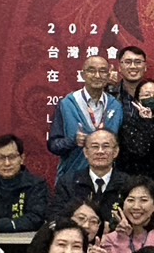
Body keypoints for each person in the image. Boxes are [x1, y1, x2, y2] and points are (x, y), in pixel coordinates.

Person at [46, 55, 124, 188]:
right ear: (83, 75)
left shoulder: (116, 106)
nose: (97, 75)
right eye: (92, 70)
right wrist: (72, 141)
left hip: (107, 181)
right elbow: (53, 145)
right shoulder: (67, 104)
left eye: (102, 71)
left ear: (108, 75)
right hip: (73, 180)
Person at [0, 134, 49, 236]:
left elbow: (36, 219)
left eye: (12, 157)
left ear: (22, 158)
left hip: (25, 242)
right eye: (0, 158)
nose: (7, 163)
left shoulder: (36, 185)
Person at [51, 129, 130, 220]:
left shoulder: (127, 184)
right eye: (95, 147)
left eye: (106, 146)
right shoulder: (68, 183)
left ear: (116, 152)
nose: (100, 151)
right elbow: (55, 216)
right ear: (86, 152)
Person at [115, 78, 154, 180]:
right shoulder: (130, 123)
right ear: (138, 100)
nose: (152, 98)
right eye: (147, 95)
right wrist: (146, 122)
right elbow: (140, 150)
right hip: (137, 178)